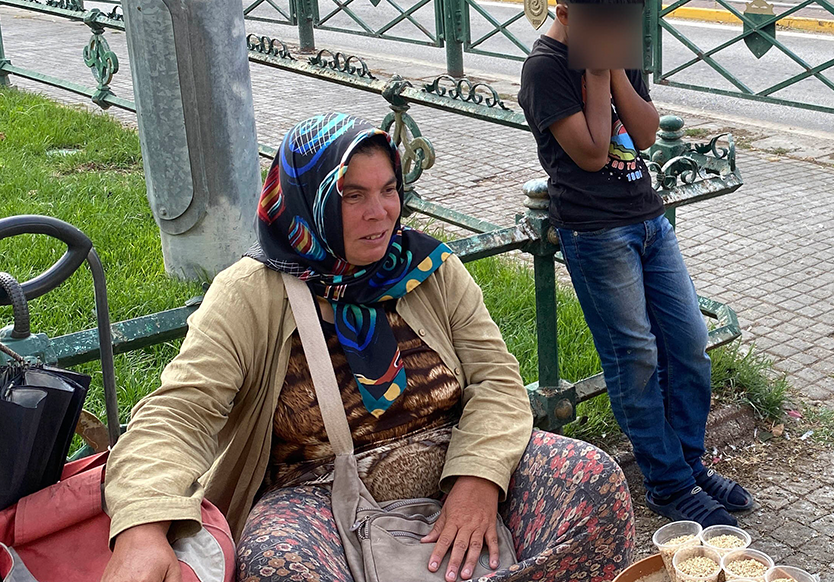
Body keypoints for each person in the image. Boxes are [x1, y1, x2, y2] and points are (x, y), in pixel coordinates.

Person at [99, 114, 635, 582]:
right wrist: (141, 527)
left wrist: (478, 480)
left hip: (453, 460)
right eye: (352, 195)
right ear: (310, 198)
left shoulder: (427, 267)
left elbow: (495, 379)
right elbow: (178, 413)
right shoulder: (250, 293)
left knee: (592, 482)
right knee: (276, 562)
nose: (380, 213)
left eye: (388, 189)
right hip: (320, 495)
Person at [516, 0, 754, 529]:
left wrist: (614, 64)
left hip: (647, 219)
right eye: (605, 22)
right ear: (564, 12)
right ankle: (668, 485)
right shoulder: (545, 68)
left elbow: (644, 133)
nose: (618, 29)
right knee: (636, 357)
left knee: (688, 342)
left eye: (624, 20)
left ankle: (690, 465)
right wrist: (595, 71)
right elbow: (594, 153)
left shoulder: (616, 45)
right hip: (595, 232)